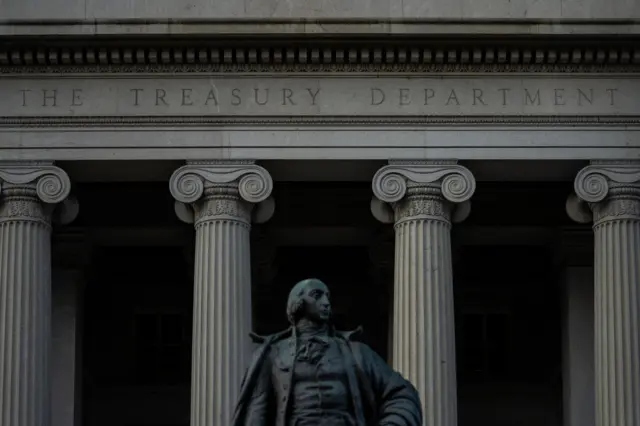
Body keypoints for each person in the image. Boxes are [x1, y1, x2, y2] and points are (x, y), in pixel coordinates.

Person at [232, 278, 423, 426]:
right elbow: (257, 412)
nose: (326, 302)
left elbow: (401, 392)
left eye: (327, 296)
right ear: (297, 302)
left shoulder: (356, 353)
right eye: (317, 295)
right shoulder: (272, 355)